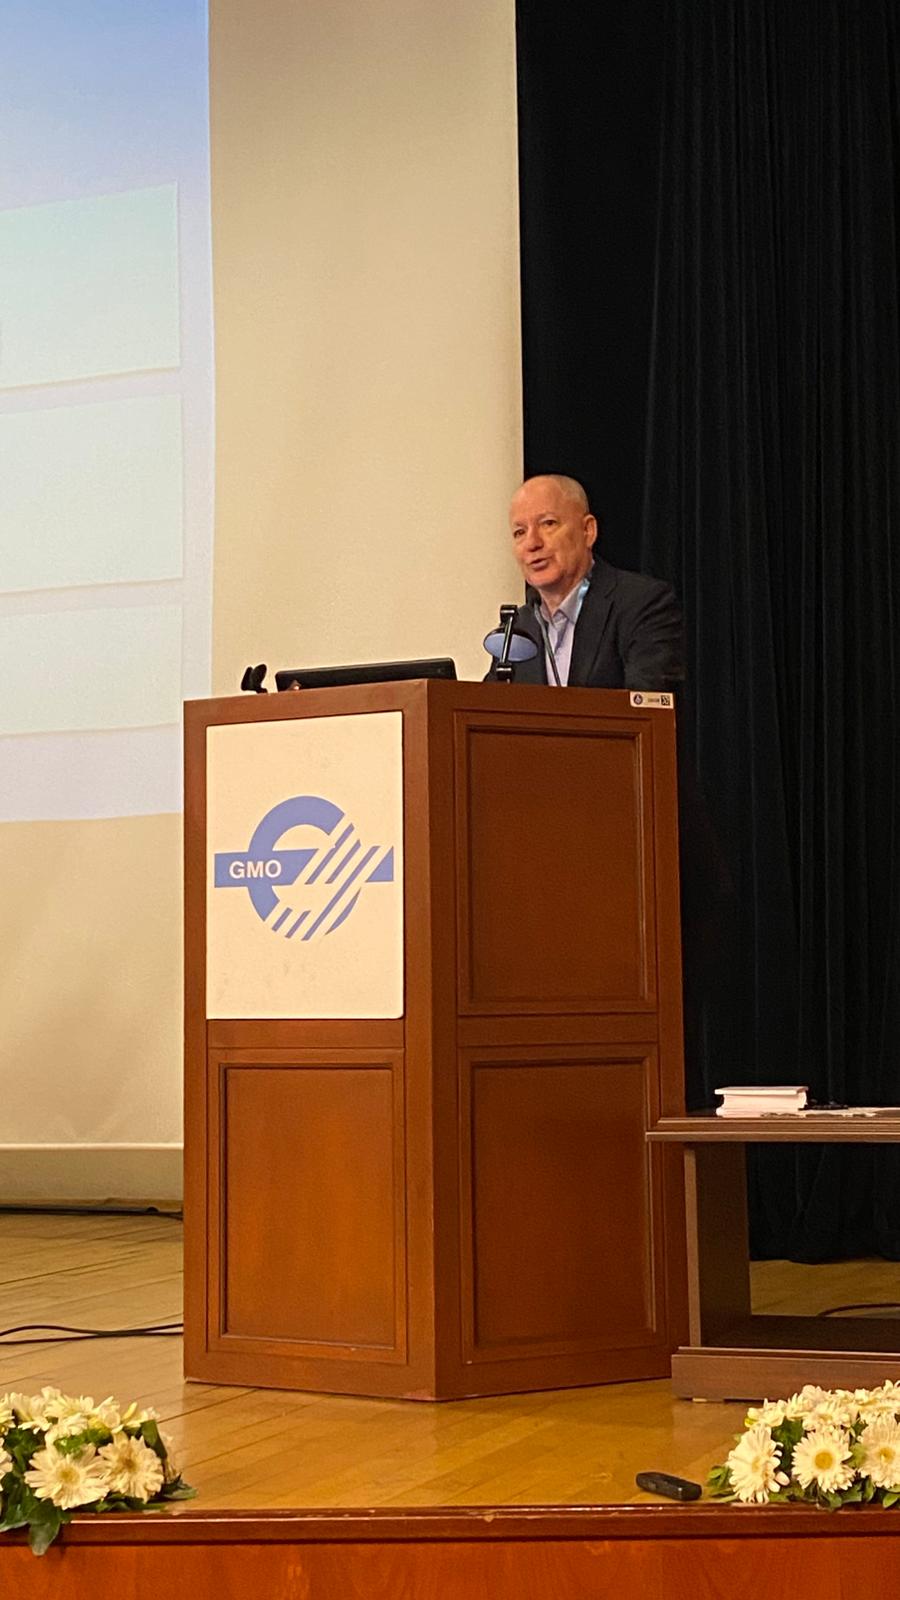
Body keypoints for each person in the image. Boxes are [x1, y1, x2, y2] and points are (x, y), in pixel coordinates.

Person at [488, 474, 683, 690]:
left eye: (548, 523)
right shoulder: (517, 628)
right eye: (519, 532)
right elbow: (487, 706)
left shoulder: (641, 604)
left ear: (588, 531)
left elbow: (647, 702)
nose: (532, 543)